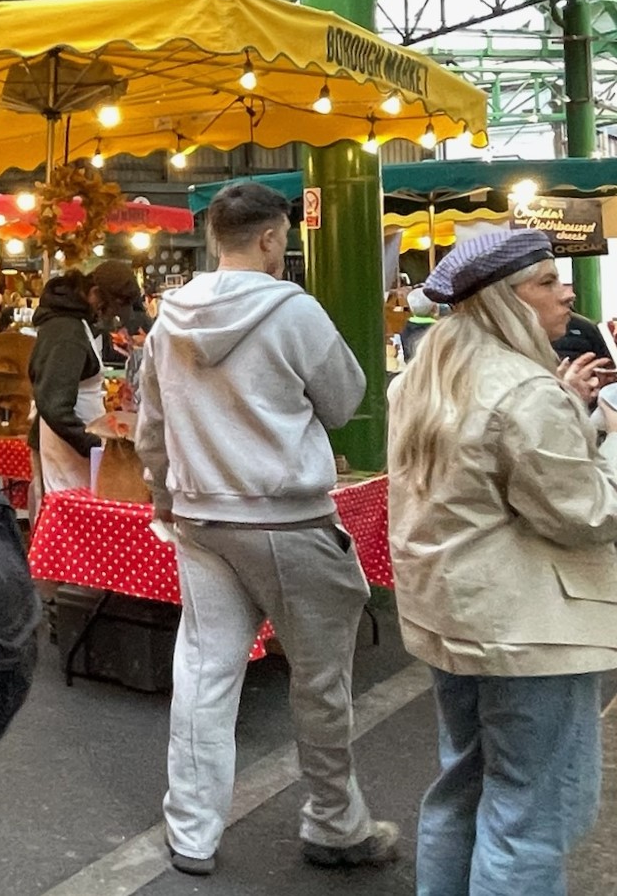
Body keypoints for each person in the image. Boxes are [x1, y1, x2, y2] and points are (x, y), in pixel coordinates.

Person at [133, 180, 396, 877]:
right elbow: (344, 402)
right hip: (287, 518)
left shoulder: (169, 319)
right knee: (318, 678)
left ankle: (191, 833)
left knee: (204, 673)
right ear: (272, 238)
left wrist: (164, 497)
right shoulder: (294, 311)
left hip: (199, 516)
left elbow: (150, 430)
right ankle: (335, 821)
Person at [389, 231, 617, 896]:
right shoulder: (524, 388)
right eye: (546, 280)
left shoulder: (430, 371)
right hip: (531, 631)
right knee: (532, 816)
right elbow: (586, 513)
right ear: (505, 301)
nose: (565, 291)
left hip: (452, 614)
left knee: (462, 787)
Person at [27, 260, 142, 502]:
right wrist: (93, 445)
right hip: (67, 449)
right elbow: (54, 407)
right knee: (69, 517)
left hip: (77, 445)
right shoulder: (66, 333)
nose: (109, 316)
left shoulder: (77, 323)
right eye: (109, 309)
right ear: (94, 294)